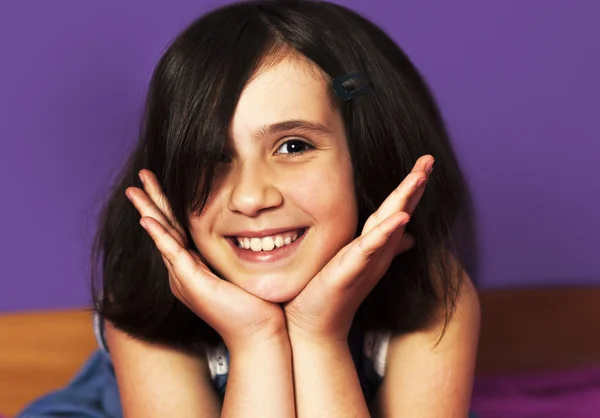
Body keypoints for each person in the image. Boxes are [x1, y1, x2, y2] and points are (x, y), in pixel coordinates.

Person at [19, 0, 480, 416]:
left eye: (293, 145)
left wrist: (319, 335)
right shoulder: (145, 299)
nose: (250, 197)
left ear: (370, 158)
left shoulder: (434, 292)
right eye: (211, 156)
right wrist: (256, 339)